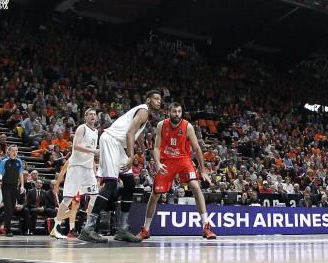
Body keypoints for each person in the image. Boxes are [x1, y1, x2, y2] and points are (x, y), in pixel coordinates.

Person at [79, 91, 163, 243]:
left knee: (130, 184)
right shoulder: (144, 111)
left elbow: (134, 131)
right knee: (111, 183)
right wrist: (131, 156)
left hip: (118, 145)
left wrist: (141, 144)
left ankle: (122, 229)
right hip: (111, 141)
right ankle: (88, 228)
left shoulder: (144, 113)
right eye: (156, 99)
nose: (159, 101)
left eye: (160, 100)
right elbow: (130, 132)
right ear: (148, 99)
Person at [139, 102, 217, 240]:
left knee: (195, 186)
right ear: (169, 112)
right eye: (174, 111)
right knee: (155, 193)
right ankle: (145, 229)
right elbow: (156, 148)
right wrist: (157, 163)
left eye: (179, 112)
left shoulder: (188, 126)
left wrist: (203, 170)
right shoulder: (161, 125)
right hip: (166, 161)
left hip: (183, 160)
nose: (177, 114)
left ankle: (206, 226)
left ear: (182, 113)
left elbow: (197, 148)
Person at [51, 108, 100, 240]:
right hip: (76, 167)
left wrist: (95, 170)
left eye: (94, 114)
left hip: (88, 169)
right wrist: (94, 151)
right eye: (90, 114)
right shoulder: (81, 128)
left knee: (95, 196)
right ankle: (55, 228)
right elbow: (76, 146)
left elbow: (91, 154)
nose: (93, 116)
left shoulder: (96, 132)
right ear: (85, 117)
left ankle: (89, 228)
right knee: (67, 199)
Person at [0, 144, 25, 236]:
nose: (15, 152)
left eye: (16, 150)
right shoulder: (4, 161)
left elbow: (21, 173)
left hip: (15, 187)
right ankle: (7, 229)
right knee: (8, 208)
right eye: (13, 150)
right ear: (9, 152)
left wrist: (22, 185)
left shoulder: (19, 161)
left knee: (11, 209)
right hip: (6, 186)